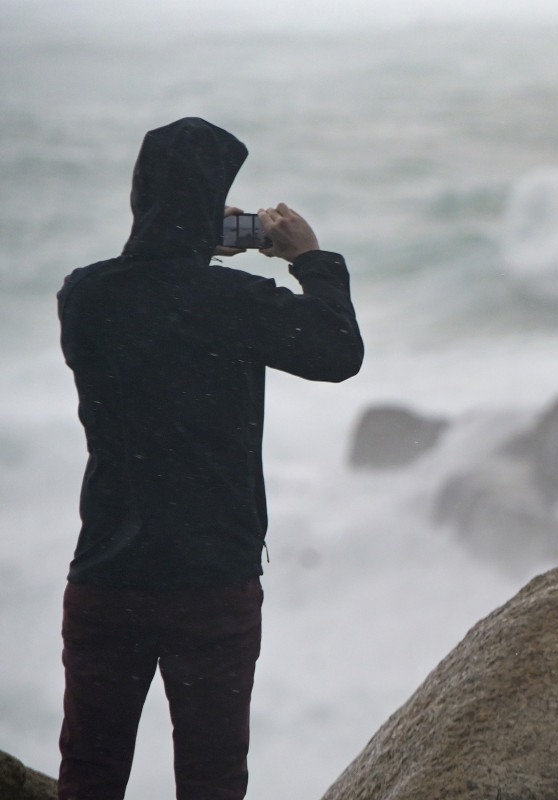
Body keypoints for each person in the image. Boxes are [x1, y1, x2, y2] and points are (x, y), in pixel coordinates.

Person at [55, 117, 364, 800]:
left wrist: (189, 247)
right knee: (212, 778)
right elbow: (339, 351)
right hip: (211, 578)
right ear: (208, 208)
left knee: (89, 773)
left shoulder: (84, 296)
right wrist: (309, 257)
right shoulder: (232, 302)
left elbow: (151, 298)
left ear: (142, 198)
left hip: (108, 572)